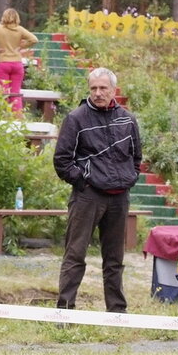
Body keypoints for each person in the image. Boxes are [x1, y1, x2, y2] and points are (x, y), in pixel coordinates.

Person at [53, 67, 141, 313]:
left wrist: (130, 178)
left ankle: (117, 311)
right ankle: (65, 310)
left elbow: (137, 158)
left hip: (119, 197)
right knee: (75, 254)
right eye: (94, 88)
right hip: (88, 197)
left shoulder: (128, 119)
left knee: (115, 260)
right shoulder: (76, 118)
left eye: (103, 88)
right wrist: (84, 182)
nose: (98, 93)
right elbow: (61, 160)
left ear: (114, 90)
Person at [0, 8, 38, 115]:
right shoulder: (20, 30)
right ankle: (17, 117)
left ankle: (3, 115)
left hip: (2, 63)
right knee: (15, 93)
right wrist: (21, 46)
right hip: (17, 64)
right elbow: (34, 39)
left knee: (3, 93)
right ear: (17, 18)